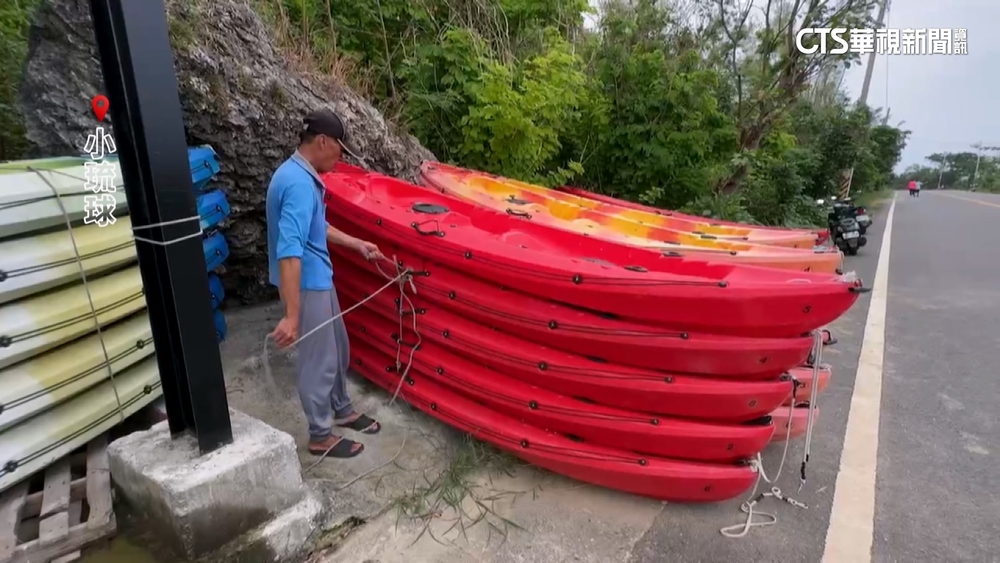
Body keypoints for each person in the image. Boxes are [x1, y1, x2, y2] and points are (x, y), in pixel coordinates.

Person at [266, 109, 387, 459]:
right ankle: (320, 434)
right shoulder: (300, 185)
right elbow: (289, 251)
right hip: (307, 283)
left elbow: (315, 230)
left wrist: (358, 244)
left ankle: (341, 408)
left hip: (319, 277)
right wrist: (292, 314)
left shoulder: (299, 175)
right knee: (318, 360)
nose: (340, 157)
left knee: (337, 347)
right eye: (340, 149)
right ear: (322, 141)